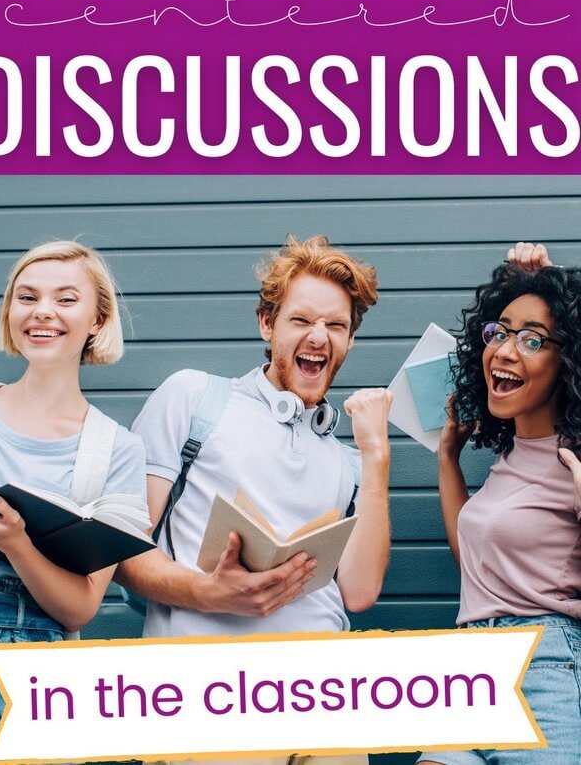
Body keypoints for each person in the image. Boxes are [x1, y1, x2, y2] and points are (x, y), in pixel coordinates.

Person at [117, 235, 392, 765]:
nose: (319, 337)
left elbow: (358, 593)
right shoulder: (195, 398)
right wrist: (209, 593)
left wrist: (376, 457)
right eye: (301, 320)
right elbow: (122, 552)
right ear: (267, 324)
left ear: (350, 340)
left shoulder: (347, 459)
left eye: (336, 326)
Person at [0, 241, 148, 765]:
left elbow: (82, 606)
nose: (42, 310)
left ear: (97, 320)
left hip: (24, 670)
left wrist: (17, 544)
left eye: (65, 299)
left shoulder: (115, 450)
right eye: (27, 297)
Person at [418, 242, 581, 765]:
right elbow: (479, 573)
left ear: (569, 362)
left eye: (533, 340)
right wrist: (448, 458)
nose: (505, 350)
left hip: (541, 669)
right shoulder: (508, 460)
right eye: (501, 332)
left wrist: (559, 286)